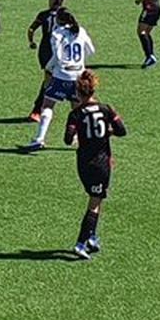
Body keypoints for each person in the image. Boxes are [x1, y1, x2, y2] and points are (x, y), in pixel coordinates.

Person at [62, 69, 126, 260]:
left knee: (96, 197)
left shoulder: (75, 114)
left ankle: (92, 237)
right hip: (101, 164)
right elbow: (122, 131)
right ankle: (80, 243)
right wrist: (108, 132)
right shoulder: (106, 109)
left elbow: (67, 139)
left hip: (82, 164)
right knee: (95, 203)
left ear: (78, 93)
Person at [24, 10, 92, 151]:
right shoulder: (81, 31)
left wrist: (49, 67)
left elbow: (58, 57)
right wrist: (80, 63)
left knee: (48, 105)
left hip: (61, 75)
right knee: (77, 108)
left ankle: (39, 138)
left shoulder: (57, 34)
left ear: (58, 20)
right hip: (78, 75)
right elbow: (91, 50)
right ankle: (79, 138)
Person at [26, 0, 69, 121]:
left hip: (45, 51)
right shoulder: (66, 15)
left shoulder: (43, 14)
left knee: (50, 80)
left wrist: (32, 42)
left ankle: (40, 109)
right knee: (51, 79)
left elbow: (31, 29)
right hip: (60, 51)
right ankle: (39, 109)